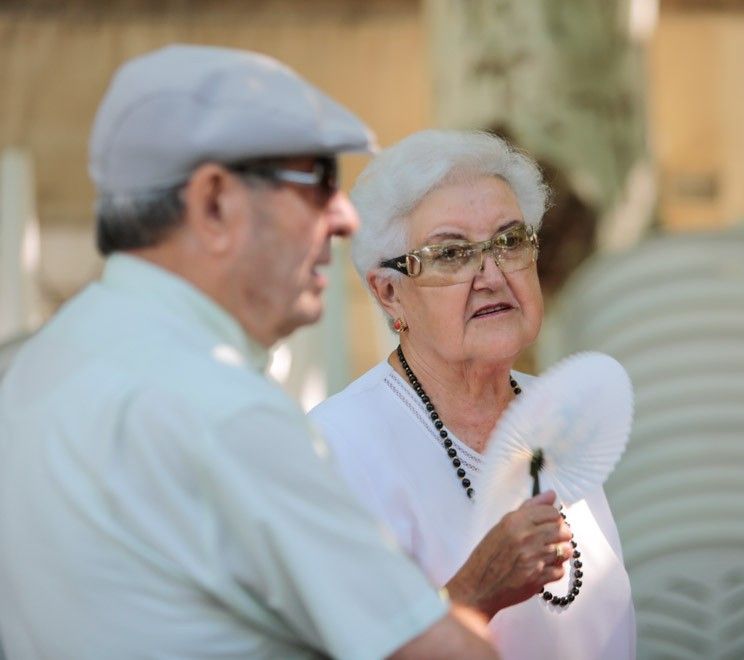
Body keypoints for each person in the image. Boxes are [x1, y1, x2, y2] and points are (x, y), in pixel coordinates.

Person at [0, 45, 496, 659]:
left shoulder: (37, 364)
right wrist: (475, 597)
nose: (344, 218)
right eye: (317, 181)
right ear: (213, 203)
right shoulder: (220, 406)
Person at [308, 129, 636, 659]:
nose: (490, 275)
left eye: (509, 242)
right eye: (451, 254)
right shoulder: (337, 447)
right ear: (389, 293)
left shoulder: (557, 417)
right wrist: (473, 596)